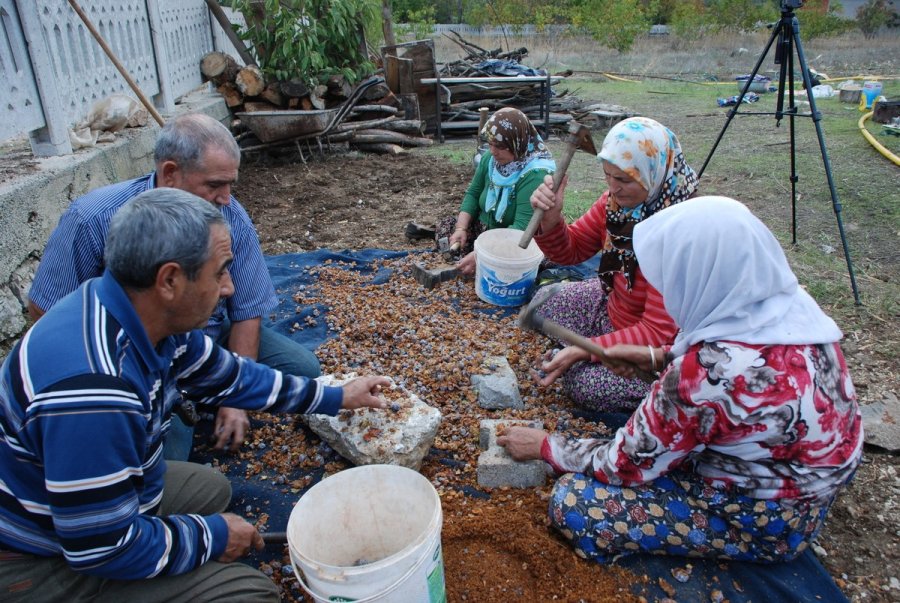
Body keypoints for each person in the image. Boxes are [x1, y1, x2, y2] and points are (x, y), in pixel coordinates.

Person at [0, 188, 390, 601]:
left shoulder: (136, 312)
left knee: (211, 490)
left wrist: (334, 397)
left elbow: (232, 377)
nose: (228, 288)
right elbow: (101, 548)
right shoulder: (95, 391)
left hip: (79, 502)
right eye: (220, 271)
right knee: (248, 593)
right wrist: (211, 536)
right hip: (39, 557)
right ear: (169, 280)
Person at [498, 196, 863, 565]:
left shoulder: (702, 375)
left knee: (573, 501)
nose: (668, 292)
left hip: (766, 519)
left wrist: (547, 446)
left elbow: (623, 464)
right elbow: (738, 372)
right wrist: (659, 357)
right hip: (811, 483)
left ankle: (746, 544)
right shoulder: (792, 309)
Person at [26, 112, 318, 460]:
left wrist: (234, 399)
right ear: (169, 174)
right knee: (168, 458)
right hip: (138, 356)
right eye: (214, 185)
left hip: (204, 330)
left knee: (304, 370)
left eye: (230, 184)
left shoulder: (230, 214)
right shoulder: (93, 219)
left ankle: (209, 387)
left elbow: (247, 309)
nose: (226, 197)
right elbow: (45, 310)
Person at [527, 116, 699, 412]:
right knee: (543, 302)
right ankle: (596, 338)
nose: (613, 188)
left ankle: (658, 401)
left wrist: (584, 351)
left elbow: (657, 332)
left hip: (655, 349)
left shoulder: (679, 232)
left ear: (653, 174)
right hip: (614, 306)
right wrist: (552, 218)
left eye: (623, 179)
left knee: (586, 385)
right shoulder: (616, 205)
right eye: (608, 176)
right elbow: (572, 252)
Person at [435, 107, 555, 275]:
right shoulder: (490, 160)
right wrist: (461, 228)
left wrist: (481, 256)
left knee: (528, 261)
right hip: (485, 231)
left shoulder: (535, 174)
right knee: (447, 227)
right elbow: (473, 193)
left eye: (499, 146)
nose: (493, 151)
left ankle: (483, 263)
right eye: (490, 144)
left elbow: (520, 229)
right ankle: (473, 260)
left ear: (517, 143)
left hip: (515, 238)